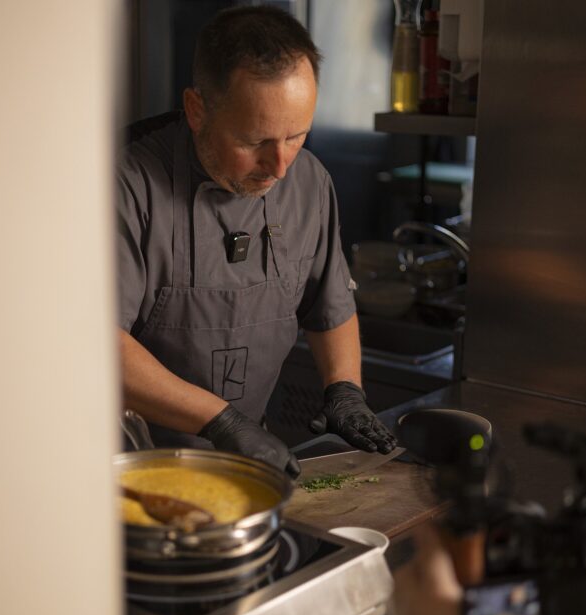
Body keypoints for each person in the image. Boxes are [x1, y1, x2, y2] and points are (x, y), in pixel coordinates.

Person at [116, 5, 396, 478]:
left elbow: (329, 304)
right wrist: (221, 421)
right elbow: (94, 344)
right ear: (197, 110)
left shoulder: (310, 182)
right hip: (125, 466)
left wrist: (345, 390)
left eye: (296, 136)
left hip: (241, 463)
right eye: (254, 142)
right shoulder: (124, 182)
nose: (280, 166)